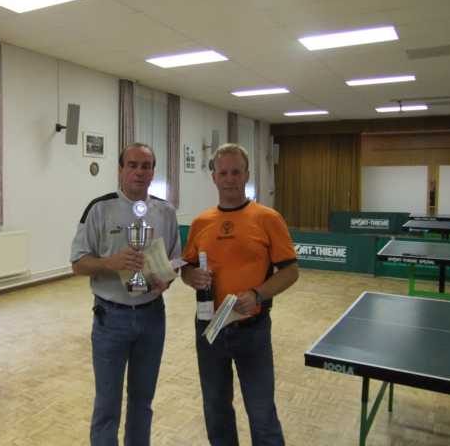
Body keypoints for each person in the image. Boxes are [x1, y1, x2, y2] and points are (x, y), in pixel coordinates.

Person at [181, 143, 299, 446]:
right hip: (209, 329)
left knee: (261, 413)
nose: (230, 179)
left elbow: (290, 272)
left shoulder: (268, 218)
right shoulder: (201, 223)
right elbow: (187, 269)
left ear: (247, 174)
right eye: (223, 173)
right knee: (216, 410)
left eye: (236, 172)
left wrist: (258, 294)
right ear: (214, 177)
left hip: (252, 330)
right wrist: (190, 276)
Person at [71, 142, 181, 446]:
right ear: (121, 169)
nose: (139, 172)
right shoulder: (99, 209)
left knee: (142, 402)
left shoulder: (166, 212)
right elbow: (78, 264)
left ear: (153, 172)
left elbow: (175, 260)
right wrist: (109, 263)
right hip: (111, 319)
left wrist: (166, 279)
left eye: (146, 166)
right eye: (132, 165)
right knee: (107, 404)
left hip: (152, 317)